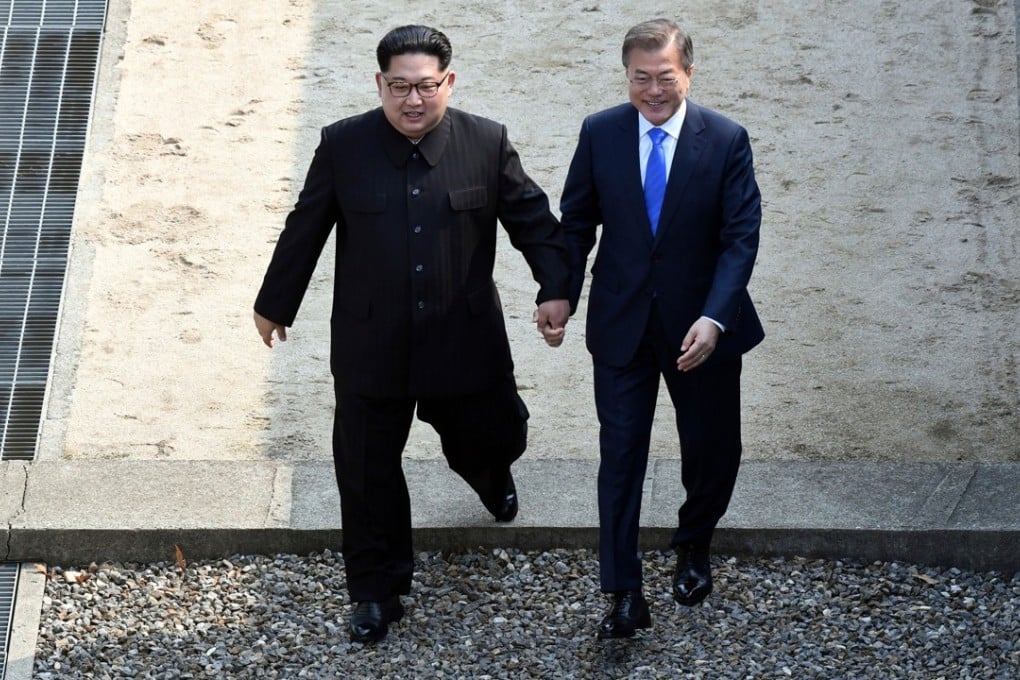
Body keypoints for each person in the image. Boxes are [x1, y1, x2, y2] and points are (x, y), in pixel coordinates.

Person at [253, 24, 570, 644]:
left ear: (448, 82)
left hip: (465, 339)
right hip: (373, 345)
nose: (413, 100)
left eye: (426, 86)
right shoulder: (342, 146)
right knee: (366, 471)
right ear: (380, 85)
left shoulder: (487, 142)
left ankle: (490, 471)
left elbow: (533, 219)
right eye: (399, 87)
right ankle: (375, 592)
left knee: (496, 433)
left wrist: (554, 287)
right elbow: (305, 226)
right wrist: (275, 303)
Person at [559, 18, 764, 640]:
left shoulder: (726, 139)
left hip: (700, 328)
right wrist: (559, 292)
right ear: (627, 76)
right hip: (621, 324)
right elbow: (576, 222)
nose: (652, 90)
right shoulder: (599, 132)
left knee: (713, 451)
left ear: (688, 74)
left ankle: (693, 542)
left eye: (664, 77)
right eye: (640, 78)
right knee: (620, 457)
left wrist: (715, 316)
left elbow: (740, 237)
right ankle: (623, 592)